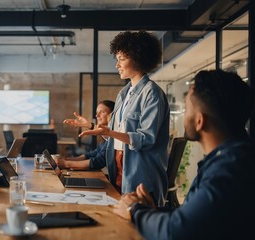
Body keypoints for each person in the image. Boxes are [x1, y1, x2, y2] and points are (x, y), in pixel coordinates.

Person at [112, 69, 255, 240]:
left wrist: (134, 211)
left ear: (200, 121)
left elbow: (177, 231)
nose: (183, 114)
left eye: (186, 108)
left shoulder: (229, 169)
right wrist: (152, 211)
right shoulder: (230, 157)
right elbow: (196, 217)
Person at [69, 31, 170, 206]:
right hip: (120, 172)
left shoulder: (152, 94)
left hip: (141, 178)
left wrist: (110, 132)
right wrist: (98, 128)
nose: (117, 65)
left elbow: (146, 139)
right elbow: (116, 136)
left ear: (138, 58)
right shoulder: (123, 94)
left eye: (122, 59)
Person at [59, 100, 115, 170]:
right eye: (97, 113)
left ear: (112, 115)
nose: (97, 116)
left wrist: (66, 164)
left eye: (102, 112)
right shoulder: (106, 138)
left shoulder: (114, 136)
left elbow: (98, 161)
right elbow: (94, 153)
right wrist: (68, 160)